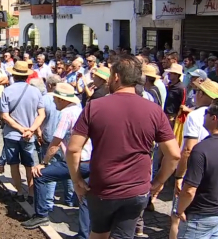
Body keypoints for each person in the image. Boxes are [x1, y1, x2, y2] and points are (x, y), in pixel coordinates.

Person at [67, 54, 181, 239]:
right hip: (137, 190)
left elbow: (73, 149)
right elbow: (174, 154)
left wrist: (77, 180)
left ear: (117, 77)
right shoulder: (154, 110)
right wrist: (158, 182)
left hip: (103, 187)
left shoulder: (94, 106)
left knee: (98, 234)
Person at [23, 83, 91, 239]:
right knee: (86, 196)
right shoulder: (79, 110)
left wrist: (44, 163)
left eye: (56, 99)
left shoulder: (66, 113)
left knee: (40, 175)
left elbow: (55, 142)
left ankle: (41, 215)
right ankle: (84, 235)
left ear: (63, 100)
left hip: (76, 161)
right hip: (89, 160)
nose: (53, 102)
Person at [170, 78, 218, 239]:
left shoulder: (201, 147)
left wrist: (179, 176)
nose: (195, 95)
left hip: (199, 211)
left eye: (198, 91)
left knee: (176, 222)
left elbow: (188, 150)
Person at [1, 61, 45, 202]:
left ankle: (19, 192)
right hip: (29, 136)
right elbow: (41, 114)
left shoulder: (7, 91)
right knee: (29, 164)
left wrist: (20, 129)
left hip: (11, 134)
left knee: (13, 164)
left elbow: (4, 115)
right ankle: (31, 194)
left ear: (13, 74)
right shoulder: (35, 91)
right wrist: (30, 130)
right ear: (27, 76)